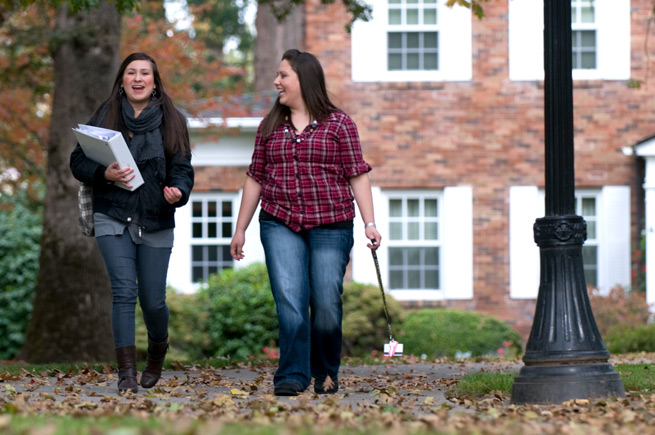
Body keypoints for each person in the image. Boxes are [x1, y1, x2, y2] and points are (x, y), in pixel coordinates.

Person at [230, 49, 381, 396]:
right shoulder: (269, 127)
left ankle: (326, 373)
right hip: (279, 221)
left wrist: (369, 222)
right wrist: (241, 229)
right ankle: (292, 374)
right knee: (290, 300)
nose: (276, 82)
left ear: (303, 79)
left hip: (331, 223)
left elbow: (357, 174)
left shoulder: (339, 124)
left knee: (326, 300)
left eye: (283, 75)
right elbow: (255, 177)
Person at [70, 52, 194, 394]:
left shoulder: (173, 120)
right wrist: (103, 173)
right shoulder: (105, 114)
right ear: (122, 80)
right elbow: (77, 161)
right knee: (123, 292)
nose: (138, 78)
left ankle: (156, 352)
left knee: (153, 300)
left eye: (144, 73)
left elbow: (183, 169)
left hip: (155, 219)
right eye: (131, 73)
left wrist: (179, 192)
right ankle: (126, 374)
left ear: (155, 82)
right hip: (112, 214)